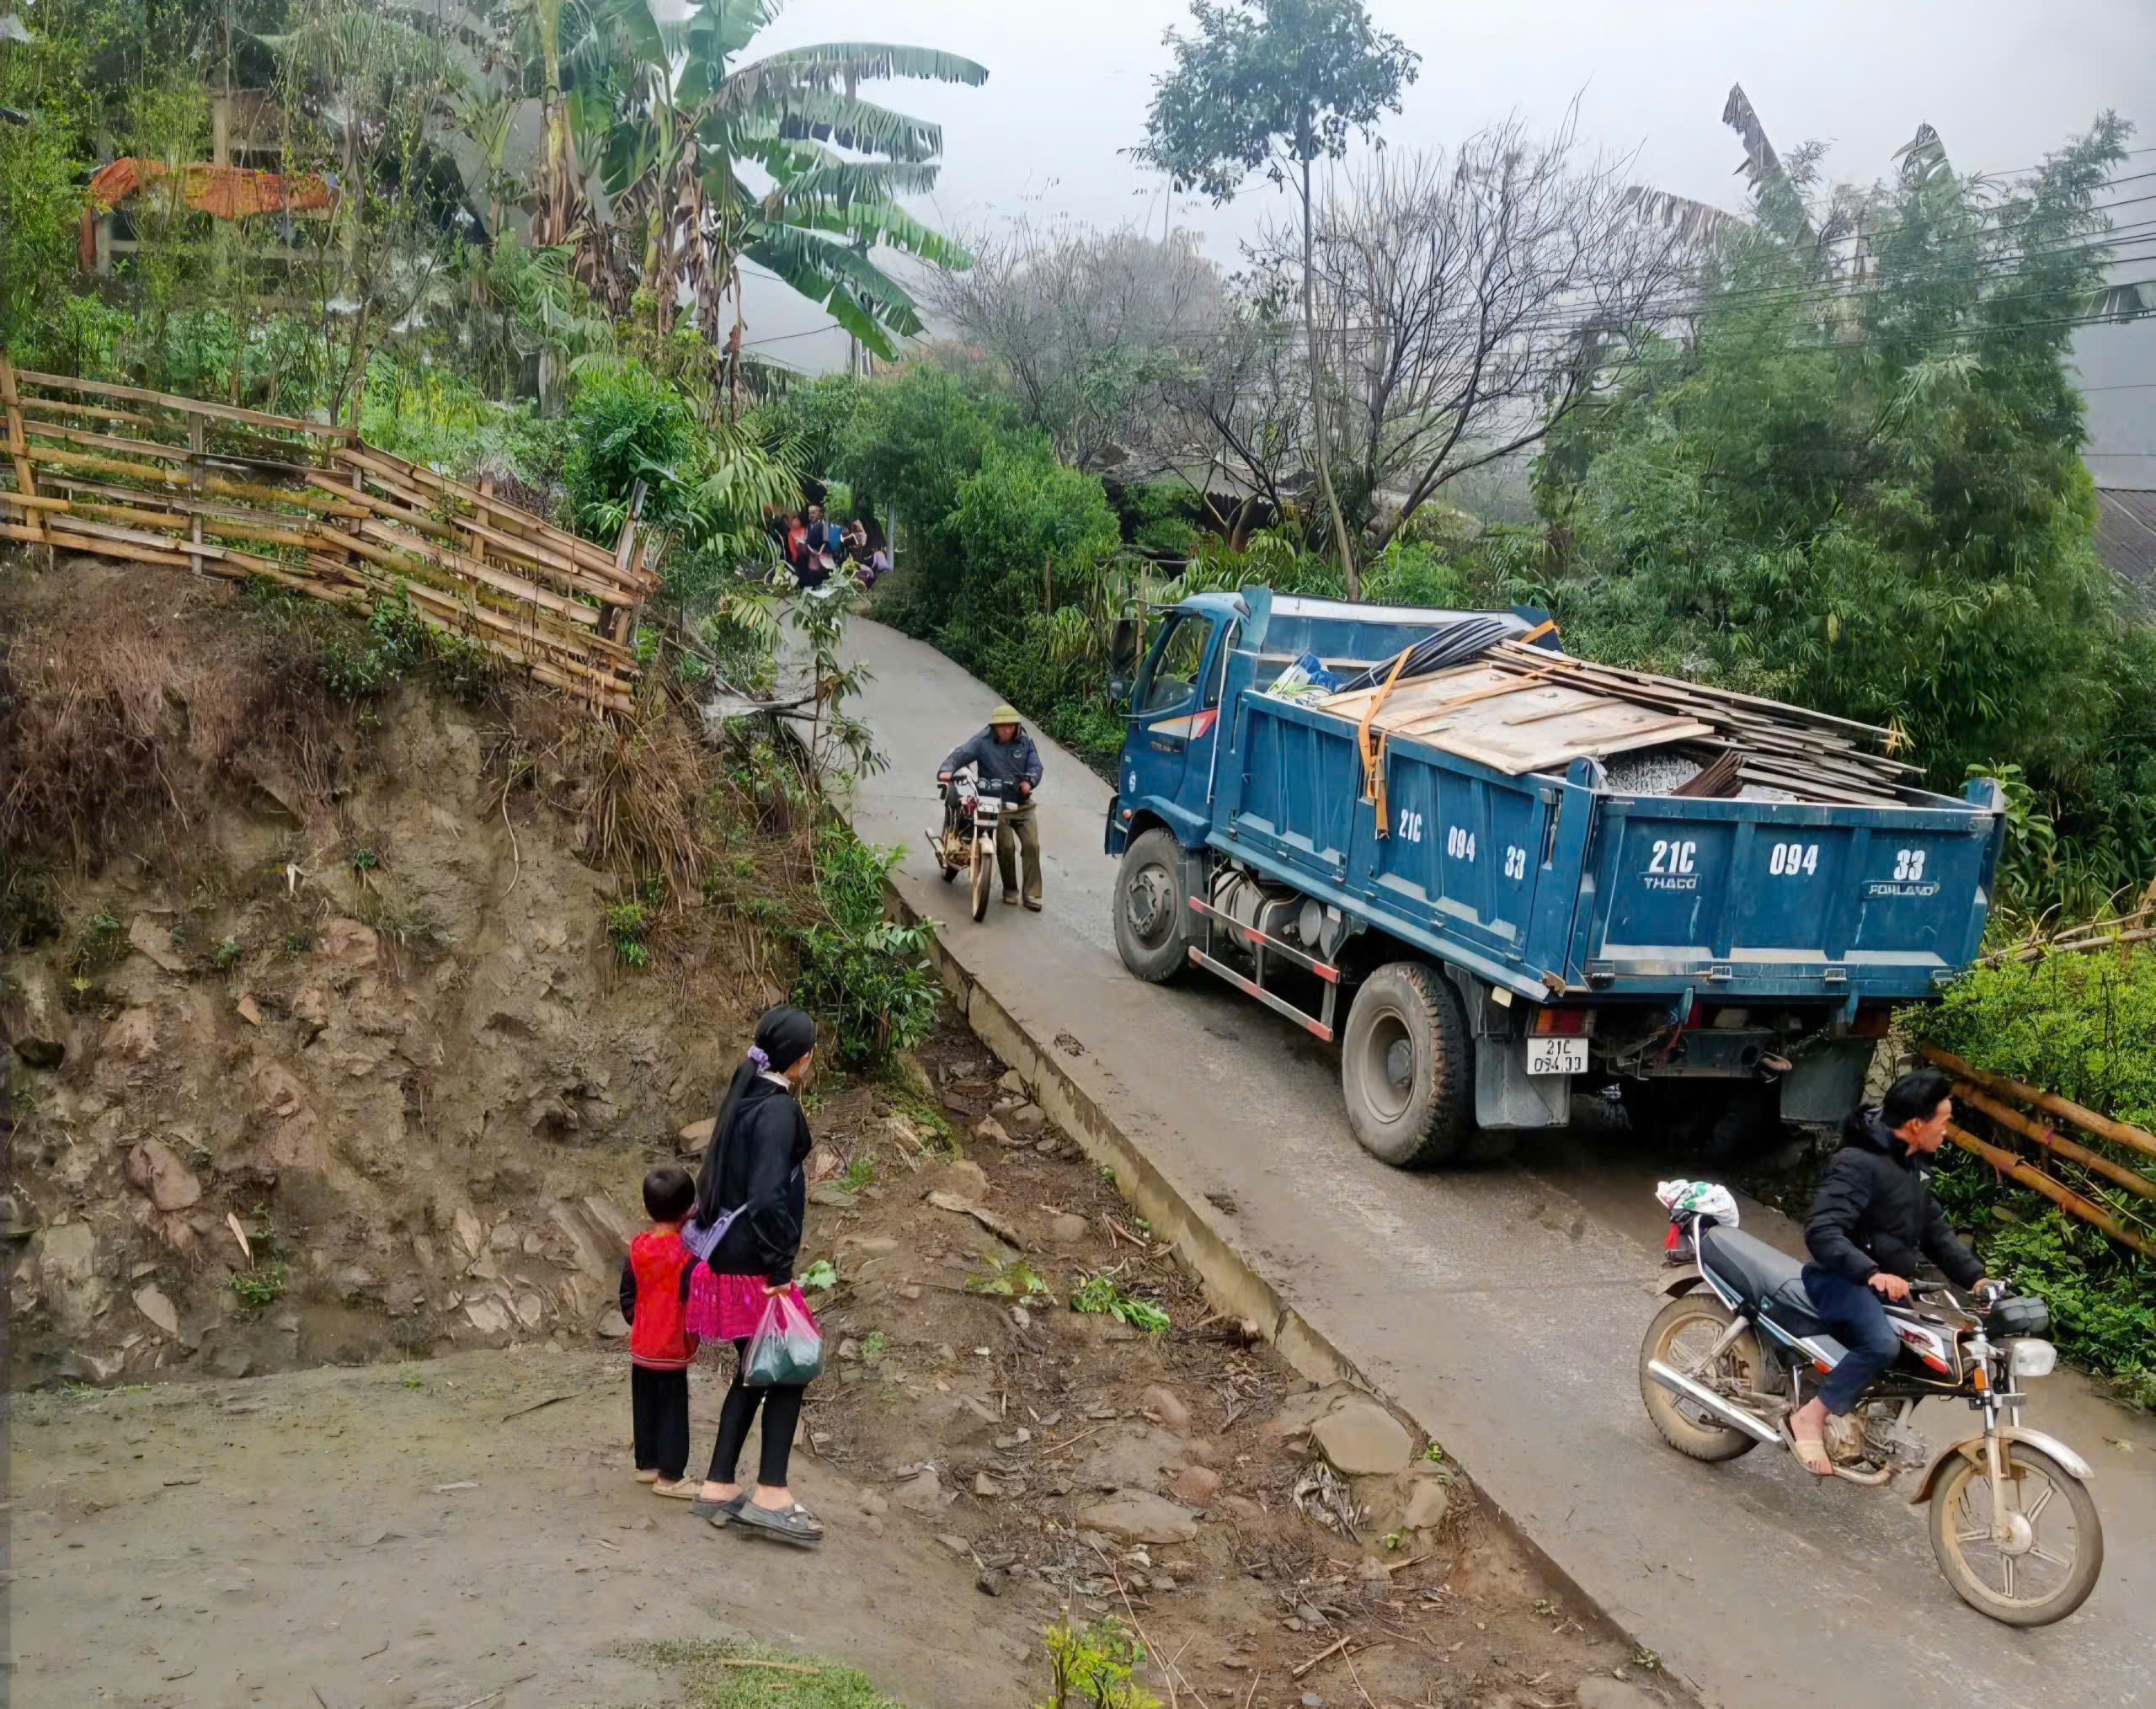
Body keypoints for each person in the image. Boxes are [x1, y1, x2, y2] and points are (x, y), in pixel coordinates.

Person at [1788, 1069, 1994, 1474]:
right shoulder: (1858, 1162)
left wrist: (1978, 1279)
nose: (1947, 1132)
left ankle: (1872, 1421)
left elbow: (1936, 1232)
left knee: (1935, 1351)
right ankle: (1810, 1416)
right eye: (1945, 1122)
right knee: (1882, 1346)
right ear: (1917, 1125)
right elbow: (1823, 1230)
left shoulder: (1912, 1167)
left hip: (1890, 1286)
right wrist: (1870, 1273)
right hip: (1840, 1279)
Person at [689, 1007, 825, 1544]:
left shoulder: (745, 1099)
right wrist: (780, 1267)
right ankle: (771, 1493)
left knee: (755, 1366)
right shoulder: (778, 1112)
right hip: (756, 1264)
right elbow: (769, 1196)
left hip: (729, 1260)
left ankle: (719, 1484)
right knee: (791, 1364)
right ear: (800, 1061)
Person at [620, 1165, 701, 1498]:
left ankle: (647, 1464)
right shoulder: (687, 1255)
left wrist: (638, 1320)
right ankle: (670, 1476)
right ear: (688, 1211)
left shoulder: (637, 1247)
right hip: (671, 1347)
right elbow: (694, 1299)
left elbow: (627, 1293)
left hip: (642, 1345)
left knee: (645, 1404)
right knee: (672, 1411)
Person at [938, 705, 1045, 911]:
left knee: (1032, 845)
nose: (1006, 730)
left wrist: (1029, 782)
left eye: (1010, 726)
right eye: (1002, 727)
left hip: (1022, 804)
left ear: (1016, 726)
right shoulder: (982, 741)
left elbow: (1036, 766)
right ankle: (1010, 890)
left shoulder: (1025, 743)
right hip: (996, 803)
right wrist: (947, 769)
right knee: (1006, 846)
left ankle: (1031, 894)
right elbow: (961, 754)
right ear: (994, 727)